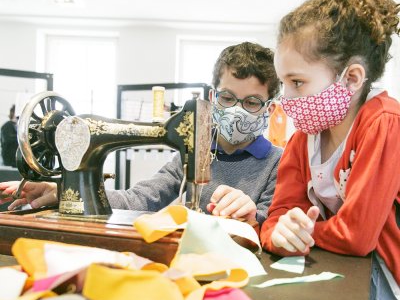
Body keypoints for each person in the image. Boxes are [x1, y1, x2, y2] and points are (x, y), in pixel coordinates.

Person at [259, 0, 400, 300]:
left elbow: (357, 235)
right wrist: (279, 232)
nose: (285, 97)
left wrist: (303, 231)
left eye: (297, 83)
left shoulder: (384, 124)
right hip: (346, 277)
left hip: (389, 284)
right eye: (283, 82)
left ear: (351, 78)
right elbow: (278, 214)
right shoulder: (305, 134)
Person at [0, 42, 282, 224]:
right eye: (228, 98)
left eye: (251, 102)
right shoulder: (192, 153)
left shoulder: (278, 163)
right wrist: (61, 191)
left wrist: (253, 218)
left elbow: (274, 224)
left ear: (268, 109)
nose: (236, 109)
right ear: (211, 97)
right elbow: (138, 199)